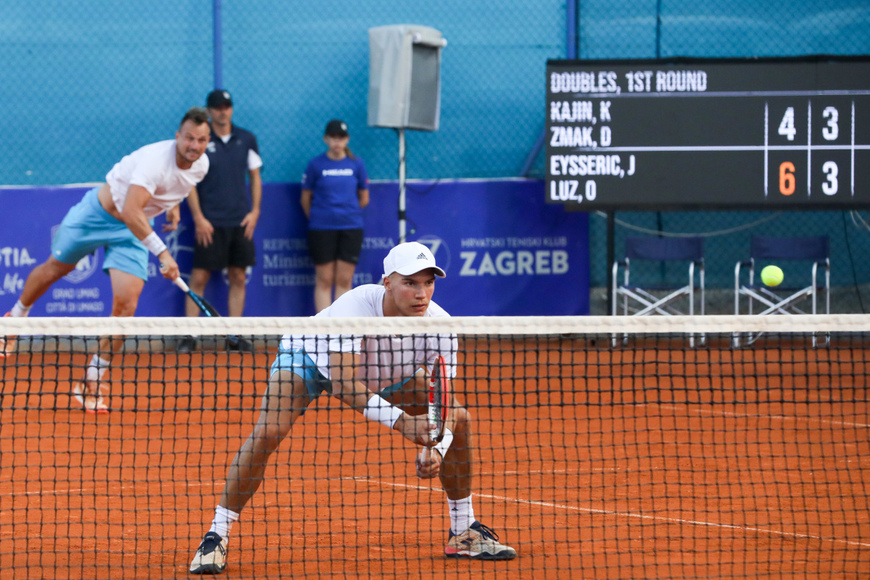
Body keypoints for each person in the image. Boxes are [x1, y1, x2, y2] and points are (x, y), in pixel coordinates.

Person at [189, 241, 517, 575]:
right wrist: (404, 422)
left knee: (461, 419)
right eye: (410, 283)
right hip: (311, 359)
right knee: (269, 432)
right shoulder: (356, 305)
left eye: (428, 282)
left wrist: (435, 447)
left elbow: (443, 405)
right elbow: (345, 385)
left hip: (384, 374)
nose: (422, 293)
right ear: (387, 282)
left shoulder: (440, 327)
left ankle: (463, 529)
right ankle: (216, 535)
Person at [0, 108, 211, 413]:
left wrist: (174, 206)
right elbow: (130, 211)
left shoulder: (200, 165)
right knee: (54, 269)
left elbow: (178, 185)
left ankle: (91, 379)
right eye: (189, 138)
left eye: (201, 140)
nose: (194, 145)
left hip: (132, 231)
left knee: (126, 306)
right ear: (178, 136)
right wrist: (162, 253)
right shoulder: (154, 163)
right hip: (98, 216)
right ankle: (14, 320)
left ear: (207, 142)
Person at [177, 90, 262, 354]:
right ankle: (189, 336)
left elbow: (255, 177)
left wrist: (255, 211)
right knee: (200, 276)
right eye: (217, 107)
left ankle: (234, 336)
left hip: (240, 222)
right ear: (210, 110)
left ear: (231, 109)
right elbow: (189, 180)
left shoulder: (246, 139)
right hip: (210, 223)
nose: (222, 111)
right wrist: (199, 218)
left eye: (226, 106)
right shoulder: (200, 141)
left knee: (238, 276)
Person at [300, 119, 370, 312]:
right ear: (326, 139)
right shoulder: (315, 165)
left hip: (351, 227)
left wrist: (348, 213)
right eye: (333, 137)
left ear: (347, 140)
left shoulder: (357, 164)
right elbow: (305, 199)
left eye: (341, 137)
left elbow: (364, 197)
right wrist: (321, 217)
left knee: (344, 279)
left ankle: (341, 327)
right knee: (324, 279)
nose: (337, 142)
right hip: (322, 228)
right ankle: (323, 328)